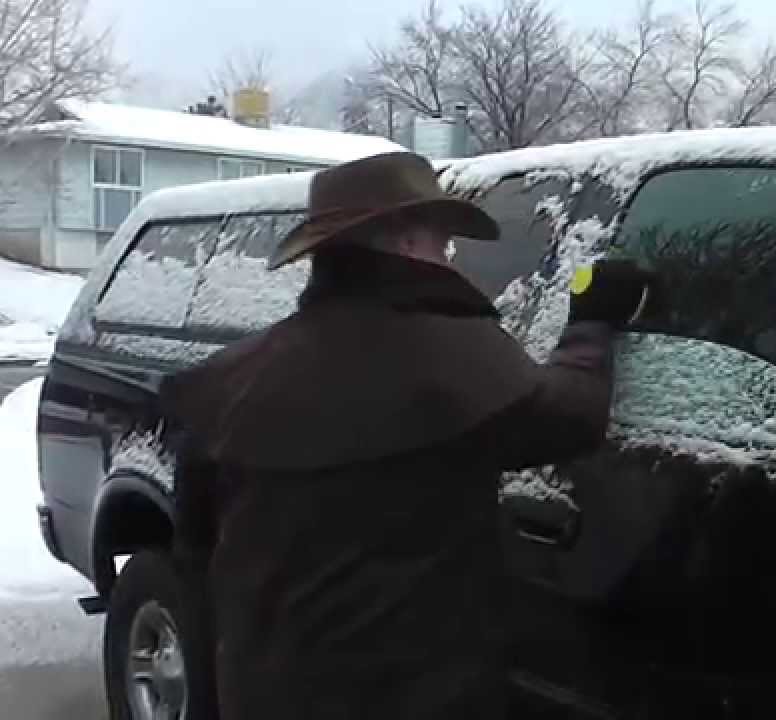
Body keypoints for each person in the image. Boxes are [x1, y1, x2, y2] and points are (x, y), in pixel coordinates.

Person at [160, 152, 653, 719]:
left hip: (266, 689)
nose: (450, 259)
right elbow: (572, 417)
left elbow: (194, 546)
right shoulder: (452, 357)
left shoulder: (236, 377)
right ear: (403, 243)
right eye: (442, 244)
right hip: (410, 696)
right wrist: (590, 323)